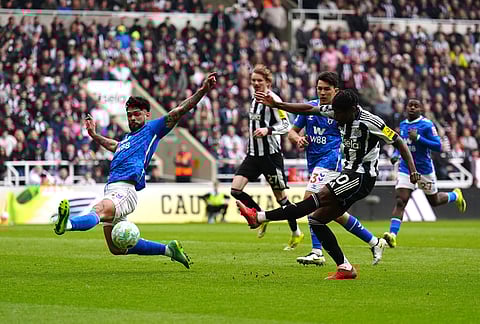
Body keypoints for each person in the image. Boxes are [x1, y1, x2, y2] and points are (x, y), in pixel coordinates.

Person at [238, 89, 421, 279]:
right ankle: (345, 267)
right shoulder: (337, 110)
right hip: (348, 172)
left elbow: (399, 141)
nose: (336, 118)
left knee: (311, 202)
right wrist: (278, 105)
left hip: (361, 176)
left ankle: (258, 217)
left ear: (352, 109)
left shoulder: (371, 122)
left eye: (340, 114)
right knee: (316, 220)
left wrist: (413, 169)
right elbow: (309, 108)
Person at [54, 72, 217, 269]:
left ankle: (68, 224)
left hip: (126, 190)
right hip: (113, 190)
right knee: (116, 248)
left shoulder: (152, 129)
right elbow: (115, 146)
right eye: (129, 115)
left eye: (136, 113)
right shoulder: (127, 139)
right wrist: (94, 135)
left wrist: (203, 91)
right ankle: (169, 250)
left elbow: (179, 110)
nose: (132, 118)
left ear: (147, 114)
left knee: (98, 210)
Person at [288, 72, 387, 266]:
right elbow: (292, 131)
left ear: (336, 91)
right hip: (314, 161)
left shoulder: (342, 111)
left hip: (333, 160)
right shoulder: (311, 108)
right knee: (334, 214)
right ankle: (374, 241)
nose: (322, 92)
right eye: (319, 88)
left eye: (327, 89)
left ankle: (317, 251)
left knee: (311, 199)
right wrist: (298, 139)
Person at [230, 64, 304, 250]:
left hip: (270, 156)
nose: (255, 83)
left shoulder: (273, 100)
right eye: (253, 80)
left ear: (268, 83)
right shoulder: (254, 100)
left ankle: (296, 232)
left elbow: (287, 125)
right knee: (235, 190)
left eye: (259, 81)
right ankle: (260, 215)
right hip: (253, 155)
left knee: (281, 199)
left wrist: (268, 130)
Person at [384, 99, 467, 248]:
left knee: (434, 201)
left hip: (424, 170)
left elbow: (438, 146)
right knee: (400, 201)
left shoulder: (427, 125)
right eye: (410, 105)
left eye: (416, 106)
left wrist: (419, 138)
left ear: (421, 109)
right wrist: (396, 153)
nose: (412, 108)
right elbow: (401, 143)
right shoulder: (403, 125)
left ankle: (455, 195)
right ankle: (392, 235)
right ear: (406, 107)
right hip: (406, 169)